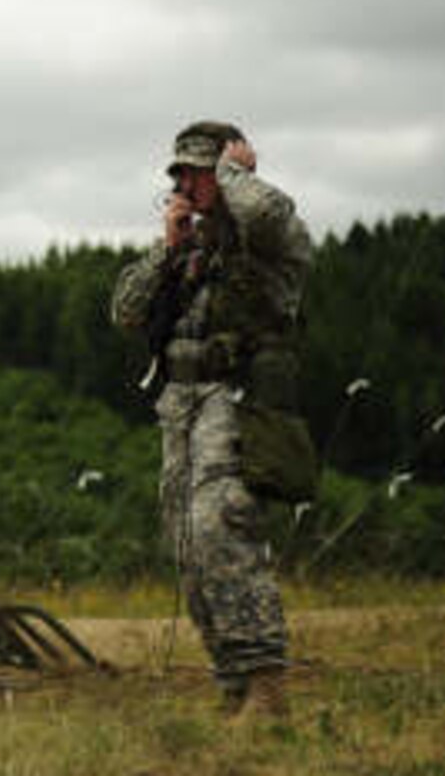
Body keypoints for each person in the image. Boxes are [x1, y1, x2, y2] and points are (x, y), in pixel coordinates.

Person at [110, 121, 314, 720]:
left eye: (199, 172)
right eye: (182, 174)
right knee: (186, 543)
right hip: (180, 406)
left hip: (237, 400)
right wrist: (166, 248)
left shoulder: (271, 238)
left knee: (219, 528)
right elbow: (125, 311)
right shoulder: (188, 250)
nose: (189, 184)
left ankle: (266, 685)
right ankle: (233, 686)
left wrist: (235, 175)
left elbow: (273, 213)